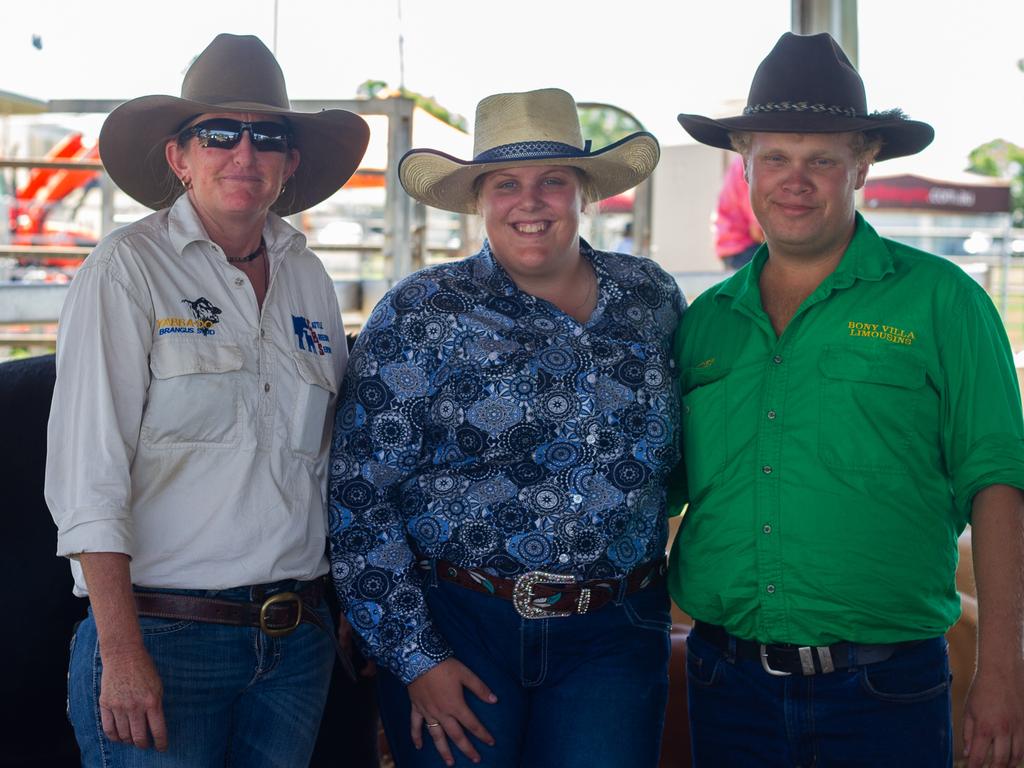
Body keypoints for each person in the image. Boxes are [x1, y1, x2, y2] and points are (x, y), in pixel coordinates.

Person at [671, 31, 1024, 768]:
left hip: (884, 689)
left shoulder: (944, 302)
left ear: (862, 165)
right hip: (724, 680)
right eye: (775, 157)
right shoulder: (702, 322)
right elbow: (654, 490)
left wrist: (1003, 670)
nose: (794, 180)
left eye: (822, 160)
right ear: (745, 166)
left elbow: (999, 484)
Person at [328, 87, 684, 768]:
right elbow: (358, 492)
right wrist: (414, 655)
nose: (531, 201)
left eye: (553, 180)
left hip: (615, 626)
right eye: (505, 183)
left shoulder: (652, 298)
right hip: (462, 624)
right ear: (479, 200)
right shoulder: (422, 311)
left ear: (584, 192)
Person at [44, 33, 369, 766]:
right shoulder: (126, 269)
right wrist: (121, 654)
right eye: (218, 134)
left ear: (289, 164)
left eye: (267, 136)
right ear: (179, 157)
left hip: (297, 638)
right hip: (163, 632)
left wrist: (344, 607)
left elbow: (330, 461)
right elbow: (86, 473)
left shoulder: (310, 279)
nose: (243, 154)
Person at [714, 153, 763, 270]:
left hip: (729, 246)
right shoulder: (750, 166)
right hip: (740, 248)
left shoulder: (742, 161)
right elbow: (757, 231)